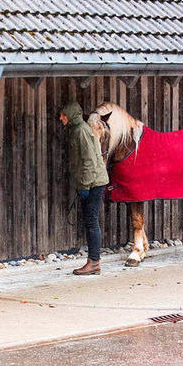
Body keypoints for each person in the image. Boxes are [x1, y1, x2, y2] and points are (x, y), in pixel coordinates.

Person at [60, 101, 109, 275]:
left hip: (94, 182)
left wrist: (85, 186)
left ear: (71, 115)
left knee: (91, 221)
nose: (61, 118)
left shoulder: (81, 131)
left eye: (63, 115)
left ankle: (94, 262)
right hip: (90, 182)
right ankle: (93, 262)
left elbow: (89, 161)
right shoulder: (76, 129)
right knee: (90, 221)